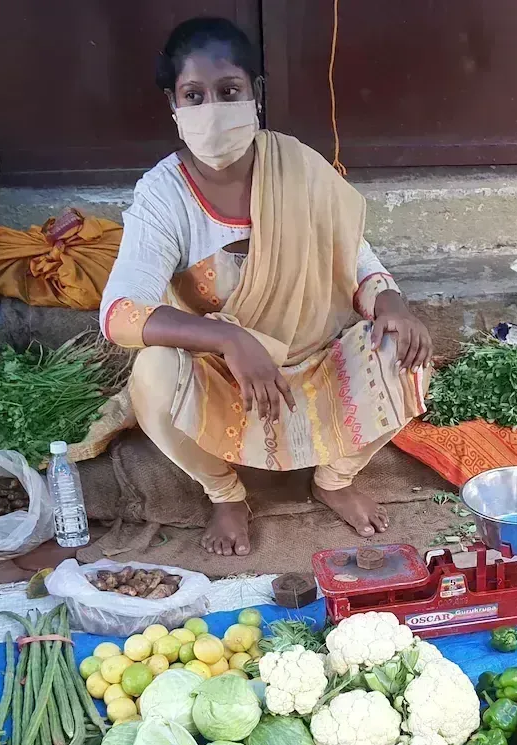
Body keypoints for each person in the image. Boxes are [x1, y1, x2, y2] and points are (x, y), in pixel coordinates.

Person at [103, 17, 433, 557]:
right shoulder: (164, 194)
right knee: (153, 373)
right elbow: (119, 314)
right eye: (194, 95)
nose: (213, 109)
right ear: (173, 103)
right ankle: (225, 494)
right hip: (223, 373)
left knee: (404, 349)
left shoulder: (297, 167)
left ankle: (335, 480)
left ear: (254, 93)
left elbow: (355, 260)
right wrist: (232, 341)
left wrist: (391, 301)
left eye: (228, 91)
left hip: (313, 360)